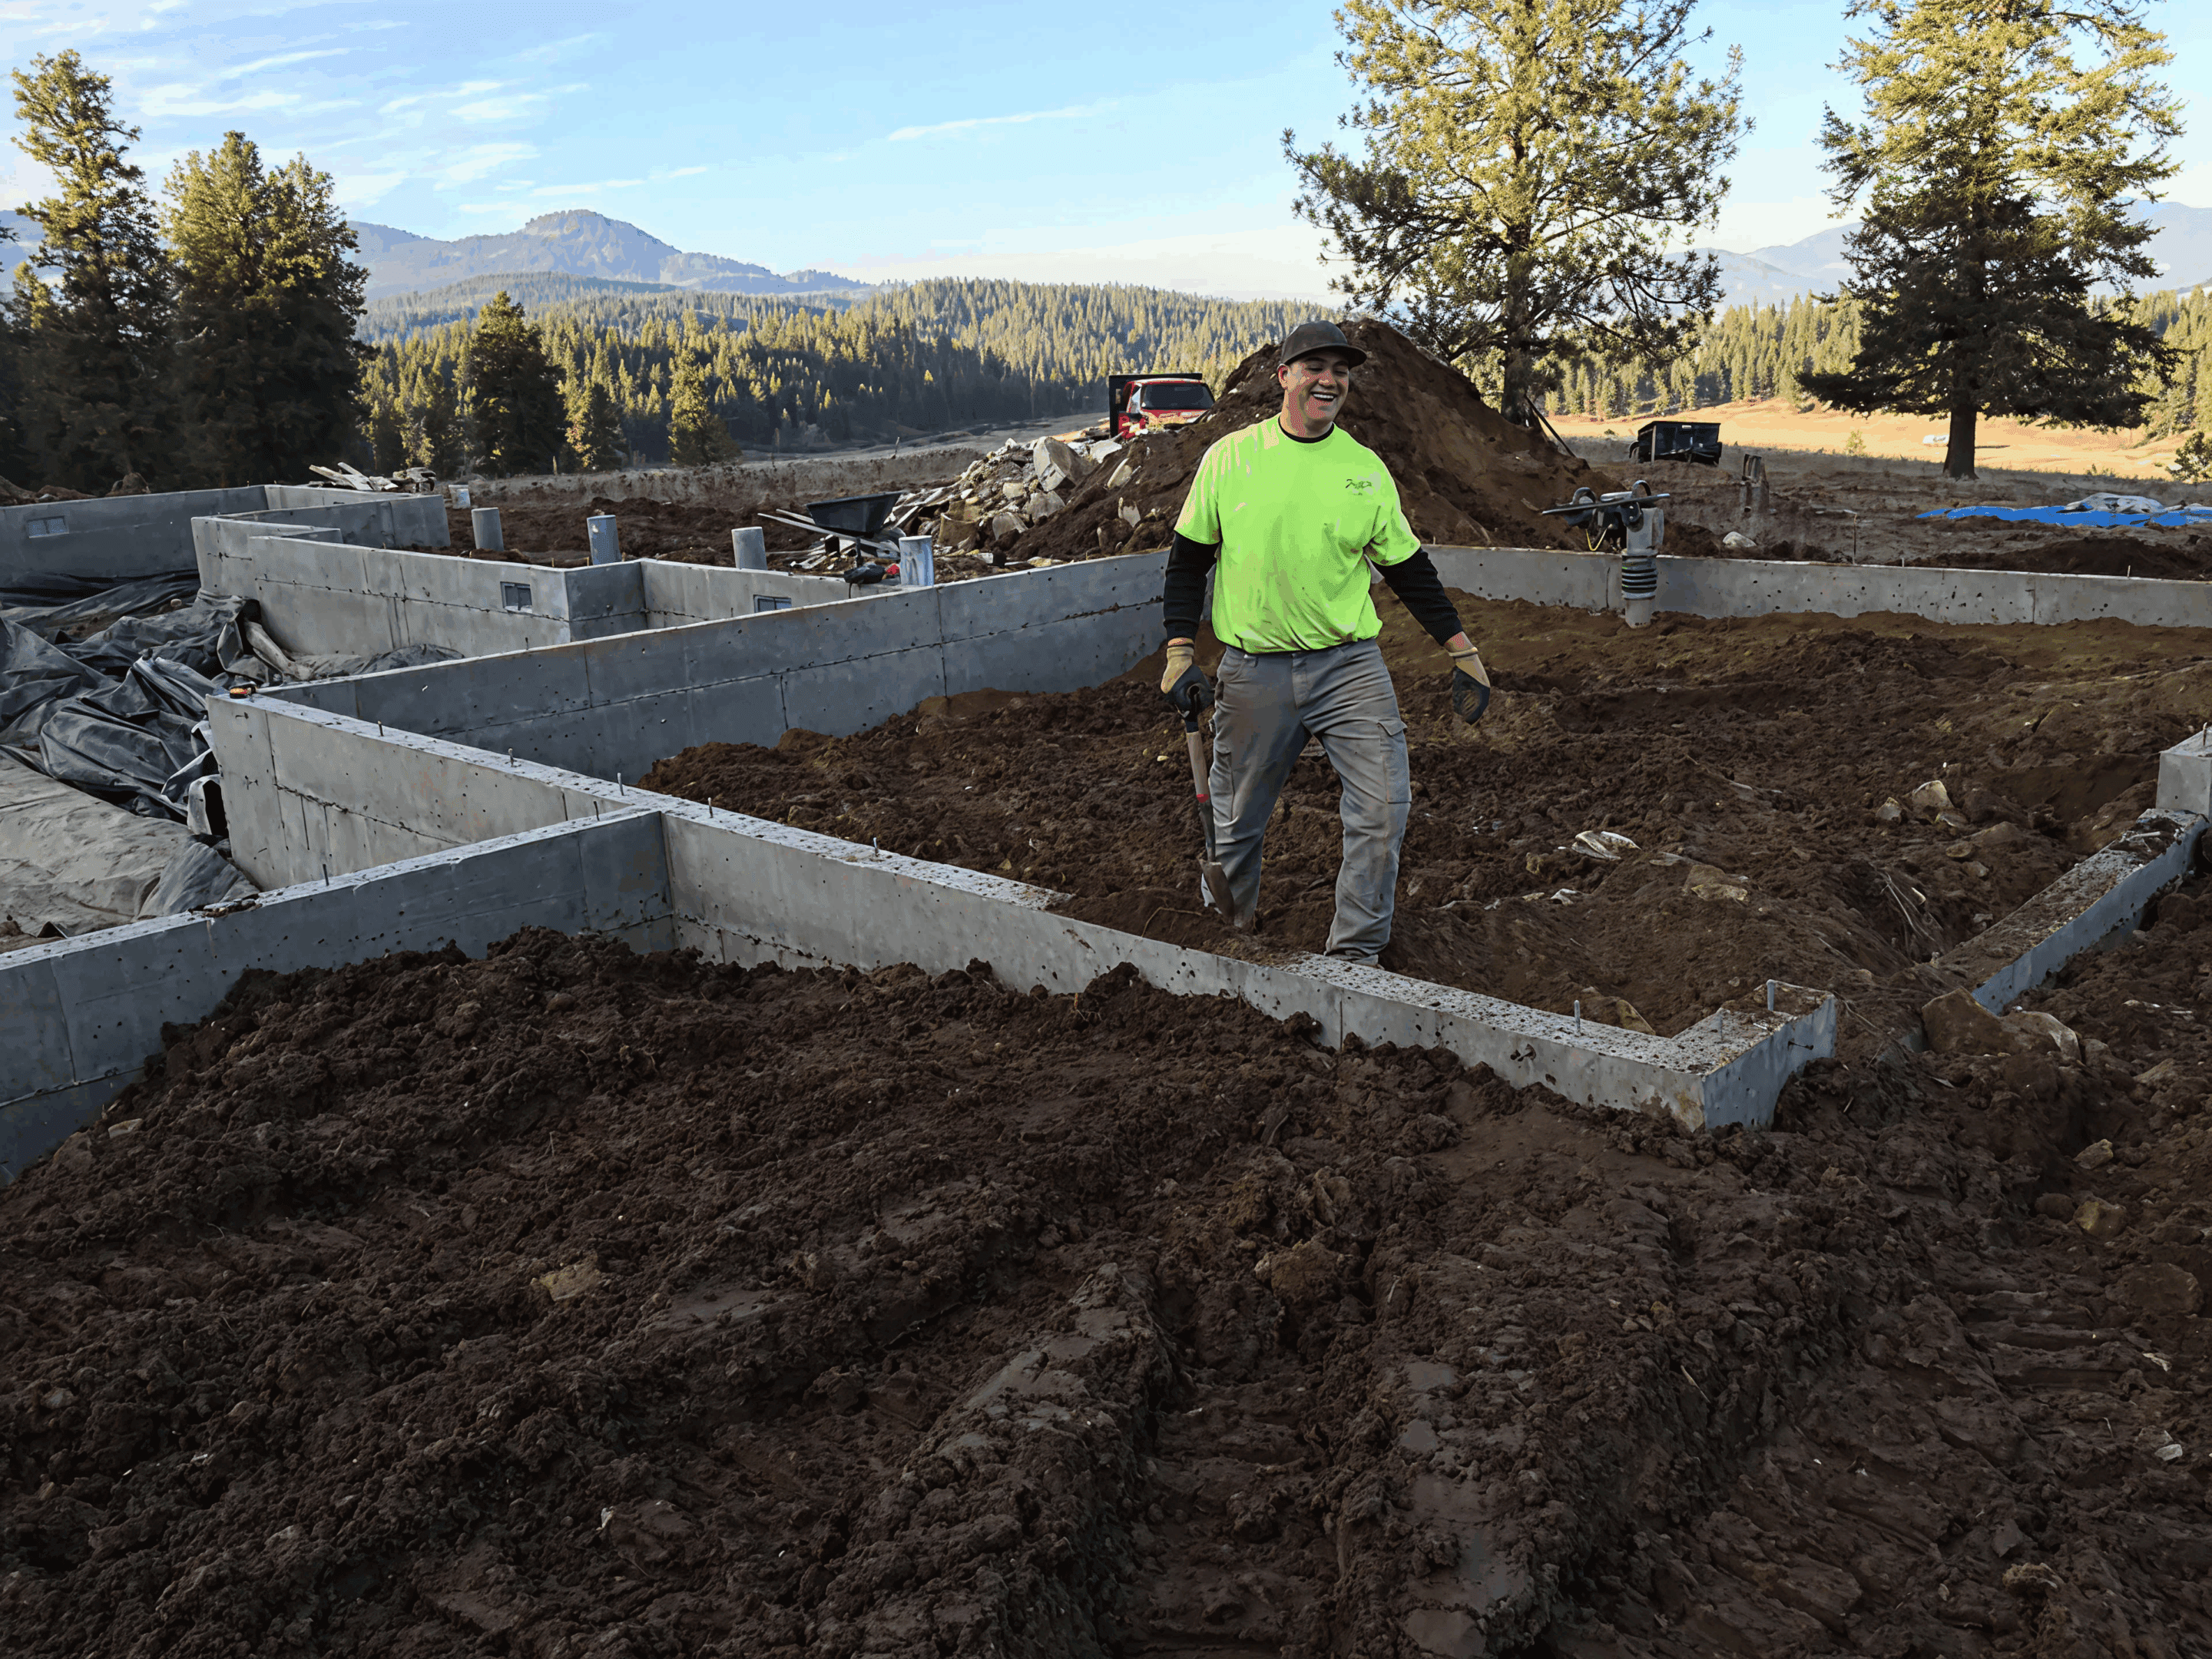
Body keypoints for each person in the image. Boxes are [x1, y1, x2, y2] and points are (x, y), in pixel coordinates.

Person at [1158, 320, 1491, 963]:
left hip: (1349, 667)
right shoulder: (1231, 459)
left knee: (1384, 806)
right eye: (1314, 367)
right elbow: (1187, 563)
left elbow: (1408, 569)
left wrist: (1461, 647)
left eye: (1340, 370)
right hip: (1254, 672)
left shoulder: (1363, 470)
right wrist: (1179, 652)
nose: (1329, 380)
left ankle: (1355, 960)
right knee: (1234, 823)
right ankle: (1229, 942)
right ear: (1283, 375)